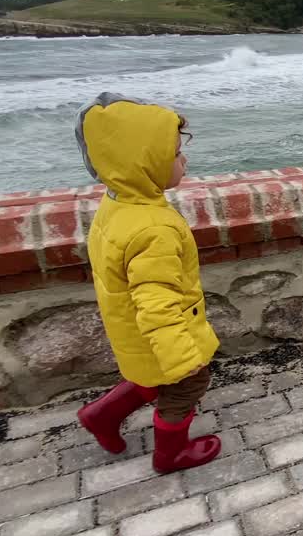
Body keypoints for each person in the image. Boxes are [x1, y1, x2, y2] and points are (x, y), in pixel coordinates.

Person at [72, 92, 221, 474]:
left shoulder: (118, 205)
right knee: (184, 387)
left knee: (147, 379)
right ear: (144, 165)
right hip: (161, 337)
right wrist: (182, 358)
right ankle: (170, 455)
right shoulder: (154, 229)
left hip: (134, 334)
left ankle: (101, 416)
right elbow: (157, 304)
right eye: (173, 155)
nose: (183, 160)